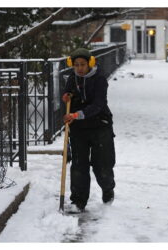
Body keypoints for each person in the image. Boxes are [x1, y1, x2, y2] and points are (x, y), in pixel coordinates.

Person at [62, 48, 116, 211]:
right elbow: (69, 92)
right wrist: (67, 95)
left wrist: (77, 114)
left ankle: (108, 188)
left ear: (90, 63)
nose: (79, 68)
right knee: (79, 165)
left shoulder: (99, 79)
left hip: (100, 125)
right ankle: (78, 200)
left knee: (102, 164)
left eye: (83, 64)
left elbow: (98, 105)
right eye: (76, 65)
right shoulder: (73, 78)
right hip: (79, 128)